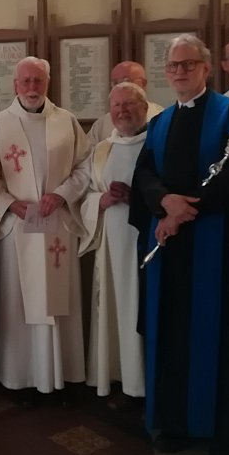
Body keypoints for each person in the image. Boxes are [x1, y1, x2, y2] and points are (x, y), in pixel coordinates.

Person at [129, 34, 229, 455]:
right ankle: (176, 424)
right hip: (172, 253)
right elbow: (144, 174)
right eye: (173, 66)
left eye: (188, 64)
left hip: (220, 250)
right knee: (172, 333)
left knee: (224, 342)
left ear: (206, 69)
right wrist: (164, 203)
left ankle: (227, 437)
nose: (180, 72)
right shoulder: (160, 122)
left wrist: (187, 209)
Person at [0, 56, 90, 400]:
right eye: (26, 81)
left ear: (47, 83)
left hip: (57, 223)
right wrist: (8, 204)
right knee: (19, 302)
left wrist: (61, 195)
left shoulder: (66, 121)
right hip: (18, 226)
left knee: (57, 300)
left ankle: (62, 375)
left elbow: (85, 167)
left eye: (38, 81)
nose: (32, 87)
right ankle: (22, 378)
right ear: (15, 85)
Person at [79, 83, 148, 403]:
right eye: (117, 106)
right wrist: (102, 200)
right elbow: (86, 195)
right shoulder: (102, 149)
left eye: (129, 104)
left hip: (145, 242)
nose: (123, 111)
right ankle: (117, 375)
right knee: (113, 308)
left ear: (144, 108)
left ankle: (143, 381)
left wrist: (137, 198)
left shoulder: (155, 145)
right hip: (111, 244)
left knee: (140, 307)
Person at [87, 61, 163, 145]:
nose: (121, 86)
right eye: (115, 83)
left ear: (143, 83)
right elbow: (91, 151)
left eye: (127, 81)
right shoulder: (102, 125)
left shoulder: (162, 118)